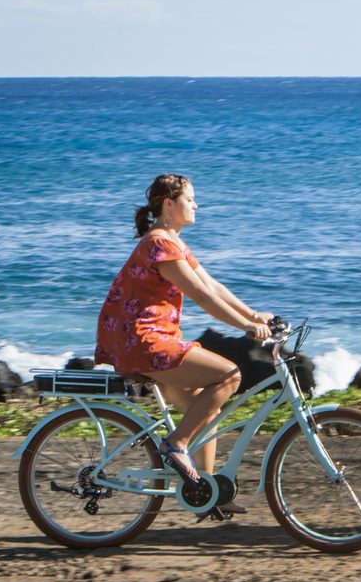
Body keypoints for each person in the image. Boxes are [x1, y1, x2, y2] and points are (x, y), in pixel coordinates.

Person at [94, 173, 273, 517]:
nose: (196, 205)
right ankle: (176, 444)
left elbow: (212, 285)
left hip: (151, 339)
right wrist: (246, 327)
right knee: (229, 375)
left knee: (205, 408)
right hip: (144, 342)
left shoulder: (172, 243)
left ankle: (205, 491)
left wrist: (254, 315)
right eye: (190, 199)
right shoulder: (159, 245)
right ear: (169, 204)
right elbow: (202, 296)